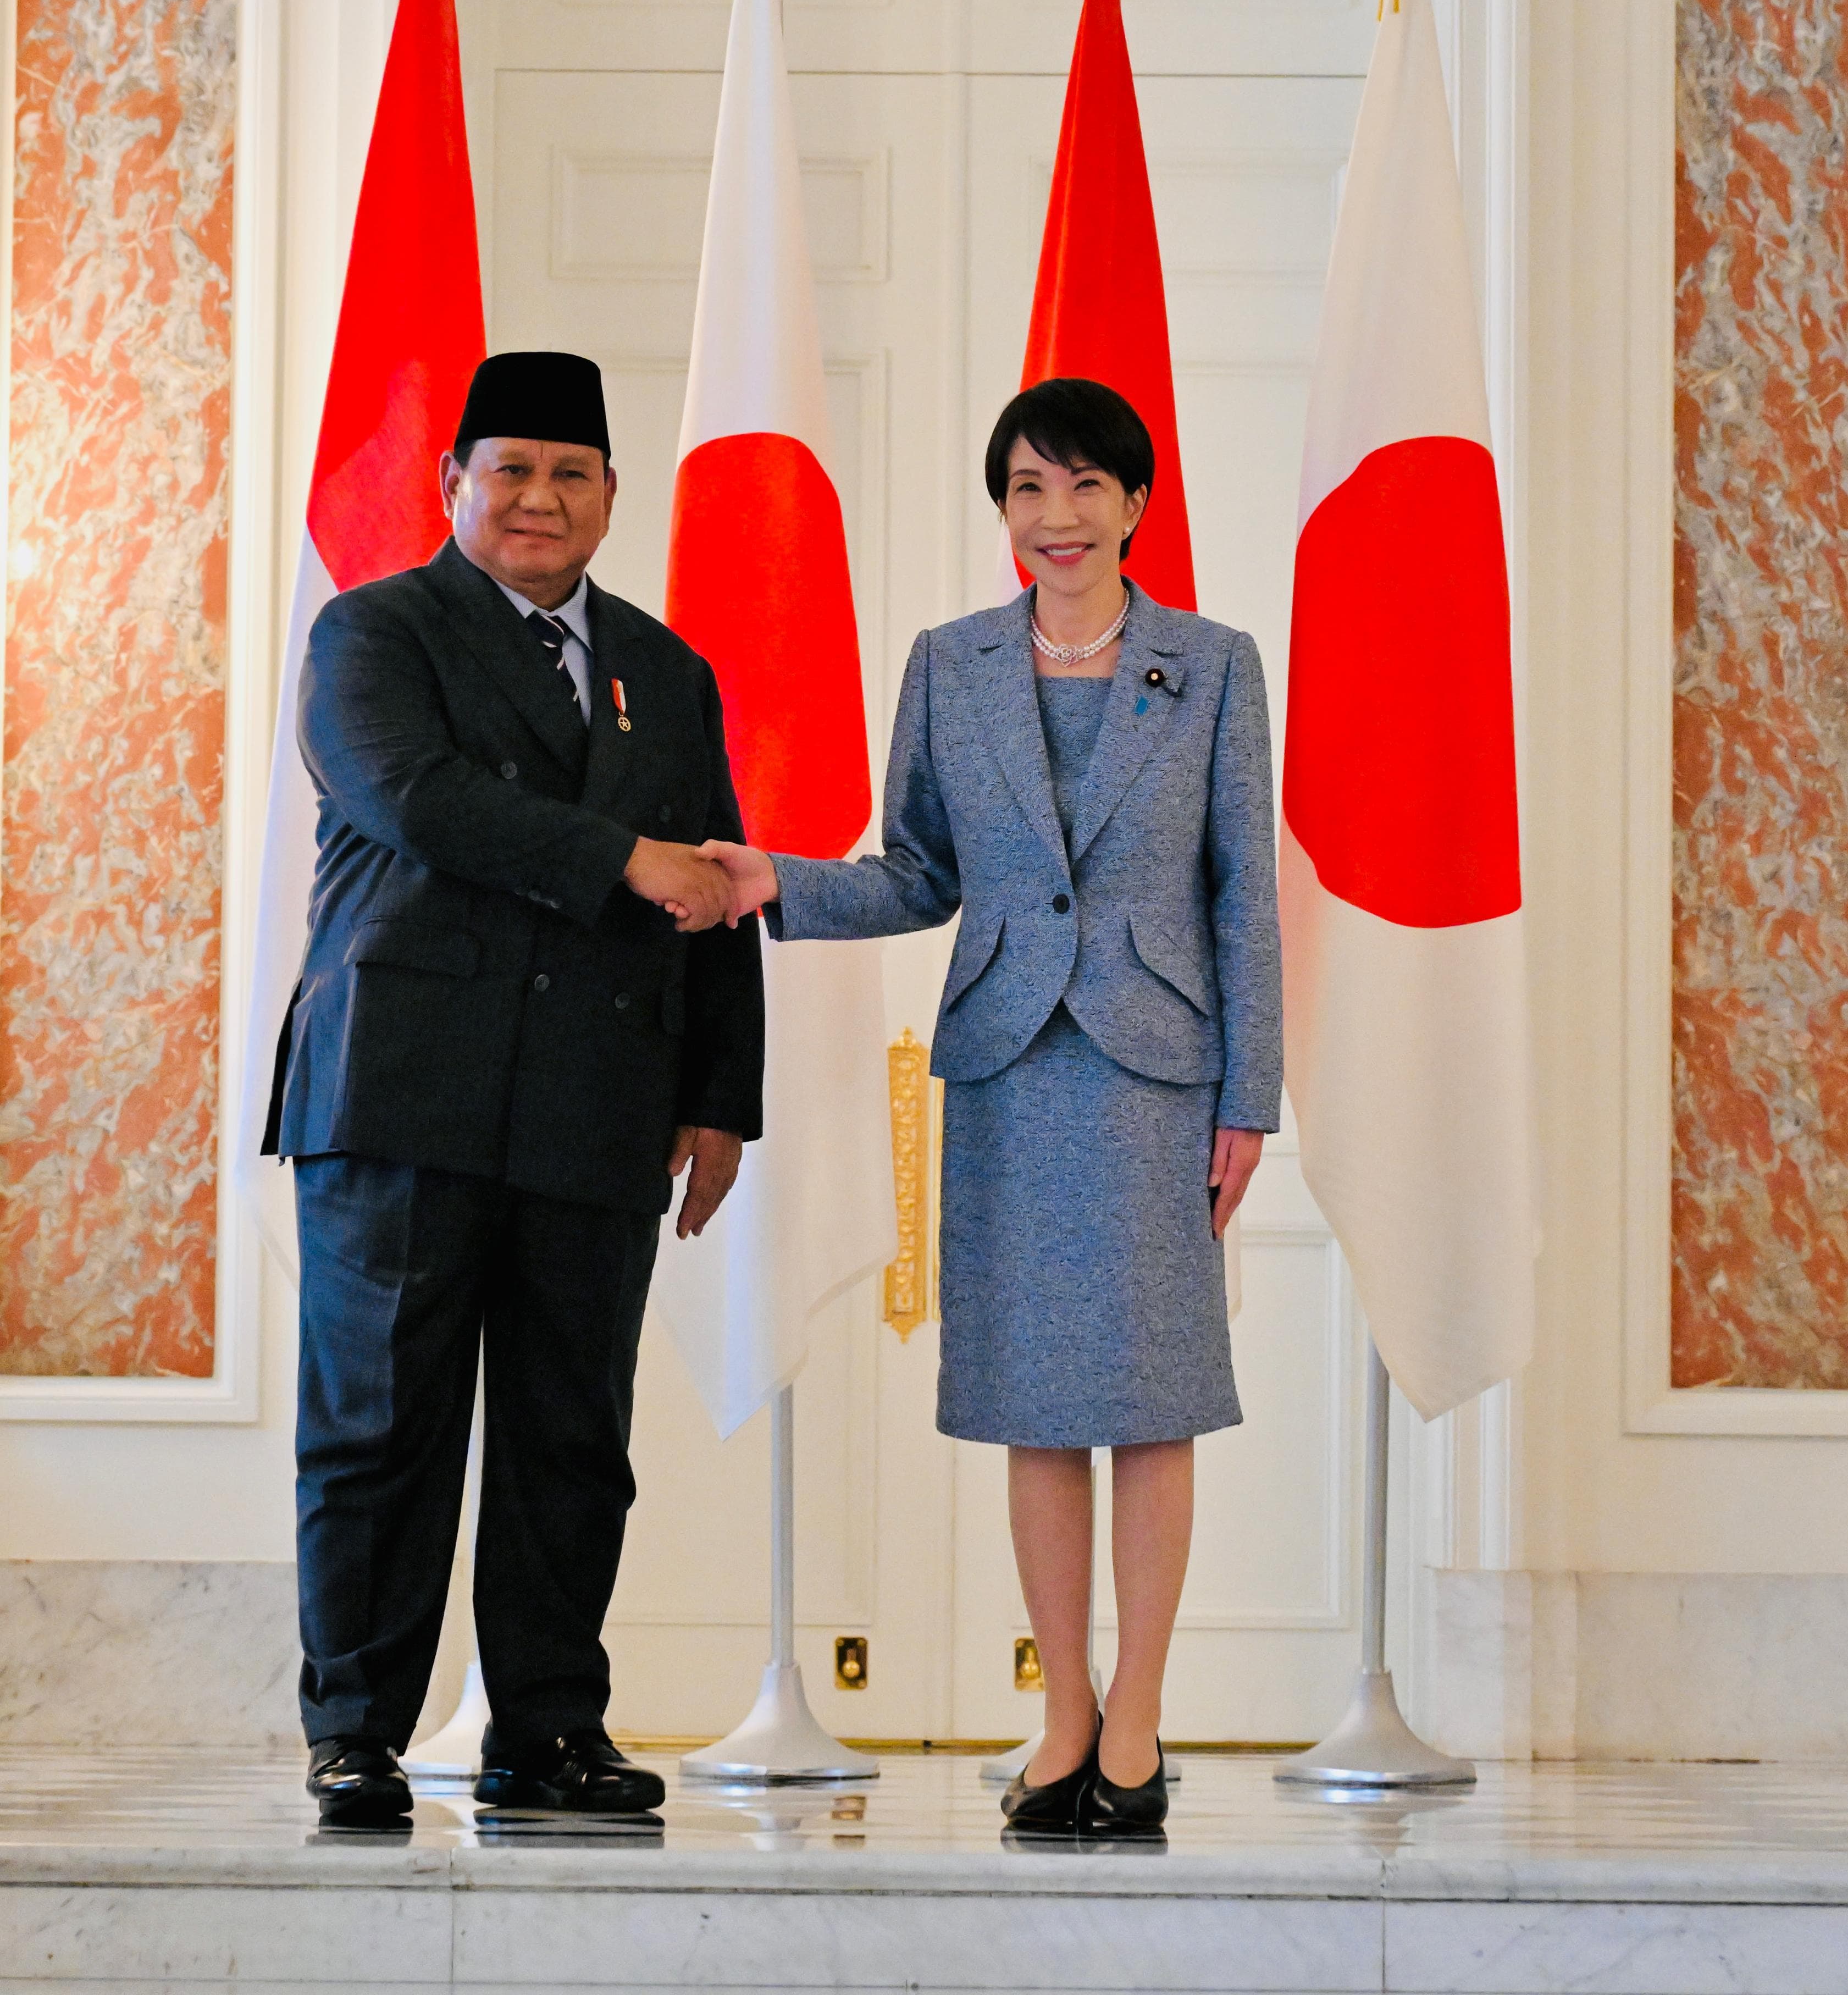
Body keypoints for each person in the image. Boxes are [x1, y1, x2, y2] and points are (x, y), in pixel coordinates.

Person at [706, 377, 1281, 1837]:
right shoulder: (947, 666)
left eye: (1086, 486)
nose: (1057, 517)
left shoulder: (1211, 666)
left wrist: (1249, 1096)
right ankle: (1061, 1721)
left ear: (1137, 503)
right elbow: (917, 872)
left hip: (1159, 1072)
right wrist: (786, 880)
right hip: (1012, 1071)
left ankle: (1138, 1730)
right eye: (1028, 488)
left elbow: (1243, 898)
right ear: (1004, 511)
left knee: (1155, 1408)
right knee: (1036, 1404)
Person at [264, 351, 763, 1828]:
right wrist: (619, 858)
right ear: (453, 488)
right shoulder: (374, 631)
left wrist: (719, 1096)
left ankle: (548, 1729)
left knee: (568, 1439)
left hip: (595, 1102)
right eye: (511, 470)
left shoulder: (667, 672)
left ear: (611, 496)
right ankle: (356, 1729)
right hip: (399, 1093)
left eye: (570, 473)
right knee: (379, 1429)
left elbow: (718, 885)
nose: (539, 497)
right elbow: (418, 800)